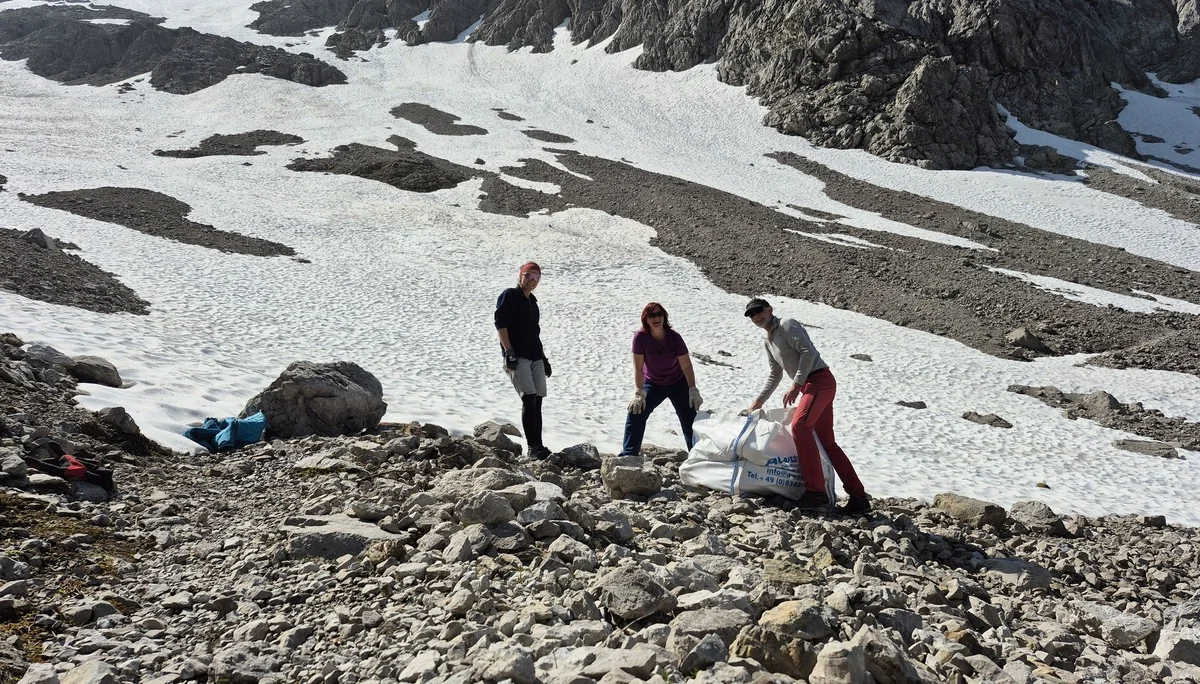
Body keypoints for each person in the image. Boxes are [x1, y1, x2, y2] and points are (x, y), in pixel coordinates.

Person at [743, 297, 871, 513]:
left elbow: (808, 352)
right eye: (751, 314)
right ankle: (858, 497)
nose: (756, 316)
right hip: (811, 385)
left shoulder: (787, 324)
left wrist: (796, 384)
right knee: (826, 442)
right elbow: (775, 373)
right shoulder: (768, 341)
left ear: (770, 309)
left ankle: (816, 493)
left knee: (800, 426)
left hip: (819, 380)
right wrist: (759, 401)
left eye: (759, 311)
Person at [622, 302, 703, 455]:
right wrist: (639, 393)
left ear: (664, 317)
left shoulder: (674, 338)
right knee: (636, 412)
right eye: (652, 315)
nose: (656, 318)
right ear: (646, 319)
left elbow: (686, 366)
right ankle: (629, 454)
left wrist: (692, 389)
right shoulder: (640, 337)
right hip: (653, 384)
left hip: (678, 383)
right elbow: (638, 368)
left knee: (690, 420)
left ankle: (698, 457)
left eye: (659, 314)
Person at [495, 262, 552, 459]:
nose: (532, 281)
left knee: (537, 400)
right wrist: (508, 351)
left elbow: (535, 334)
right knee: (528, 398)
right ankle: (532, 448)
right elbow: (501, 324)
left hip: (535, 356)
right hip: (518, 356)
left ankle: (539, 446)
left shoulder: (533, 303)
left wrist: (544, 358)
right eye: (529, 275)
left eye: (536, 277)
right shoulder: (509, 295)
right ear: (521, 276)